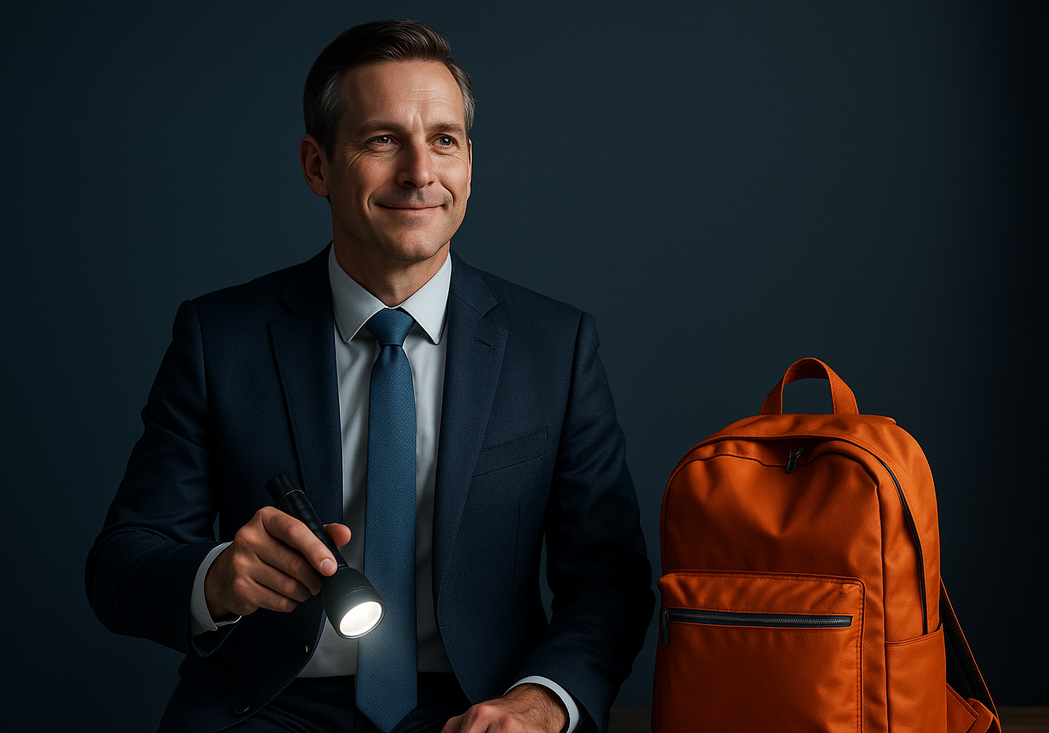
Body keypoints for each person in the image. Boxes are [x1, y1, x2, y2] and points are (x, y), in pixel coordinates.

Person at [85, 19, 653, 733]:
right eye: (383, 140)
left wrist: (540, 702)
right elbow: (120, 562)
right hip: (266, 709)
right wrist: (218, 578)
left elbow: (608, 580)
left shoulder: (556, 347)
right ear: (317, 165)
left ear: (470, 163)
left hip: (480, 707)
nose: (420, 172)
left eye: (444, 140)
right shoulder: (218, 338)